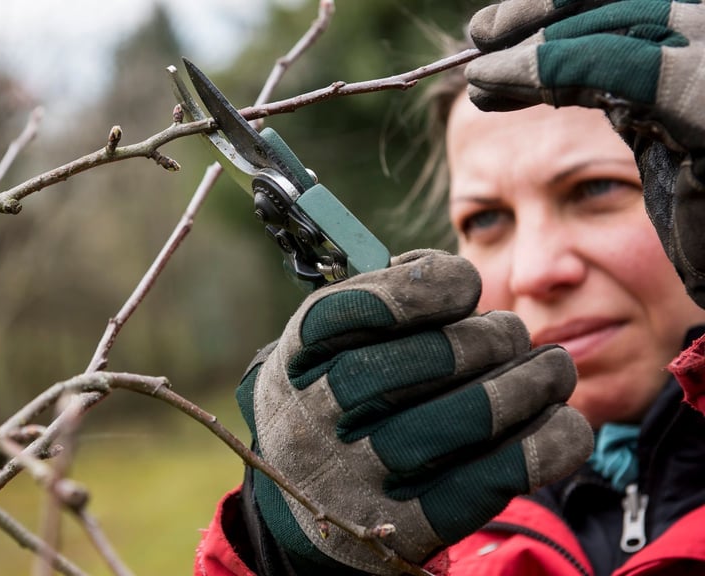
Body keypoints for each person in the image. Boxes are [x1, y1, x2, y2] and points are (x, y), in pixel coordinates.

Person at [195, 1, 705, 574]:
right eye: (485, 219)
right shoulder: (427, 545)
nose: (535, 272)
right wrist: (286, 557)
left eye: (594, 190)